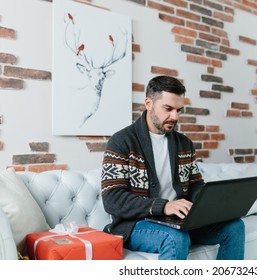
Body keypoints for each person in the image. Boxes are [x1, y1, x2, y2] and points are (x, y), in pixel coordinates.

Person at [101, 75, 245, 260]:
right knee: (175, 237)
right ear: (148, 103)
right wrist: (164, 206)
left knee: (235, 226)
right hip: (136, 224)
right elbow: (112, 199)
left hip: (179, 219)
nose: (175, 117)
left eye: (178, 110)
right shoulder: (122, 141)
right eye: (168, 109)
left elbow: (195, 185)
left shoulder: (184, 144)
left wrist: (209, 203)